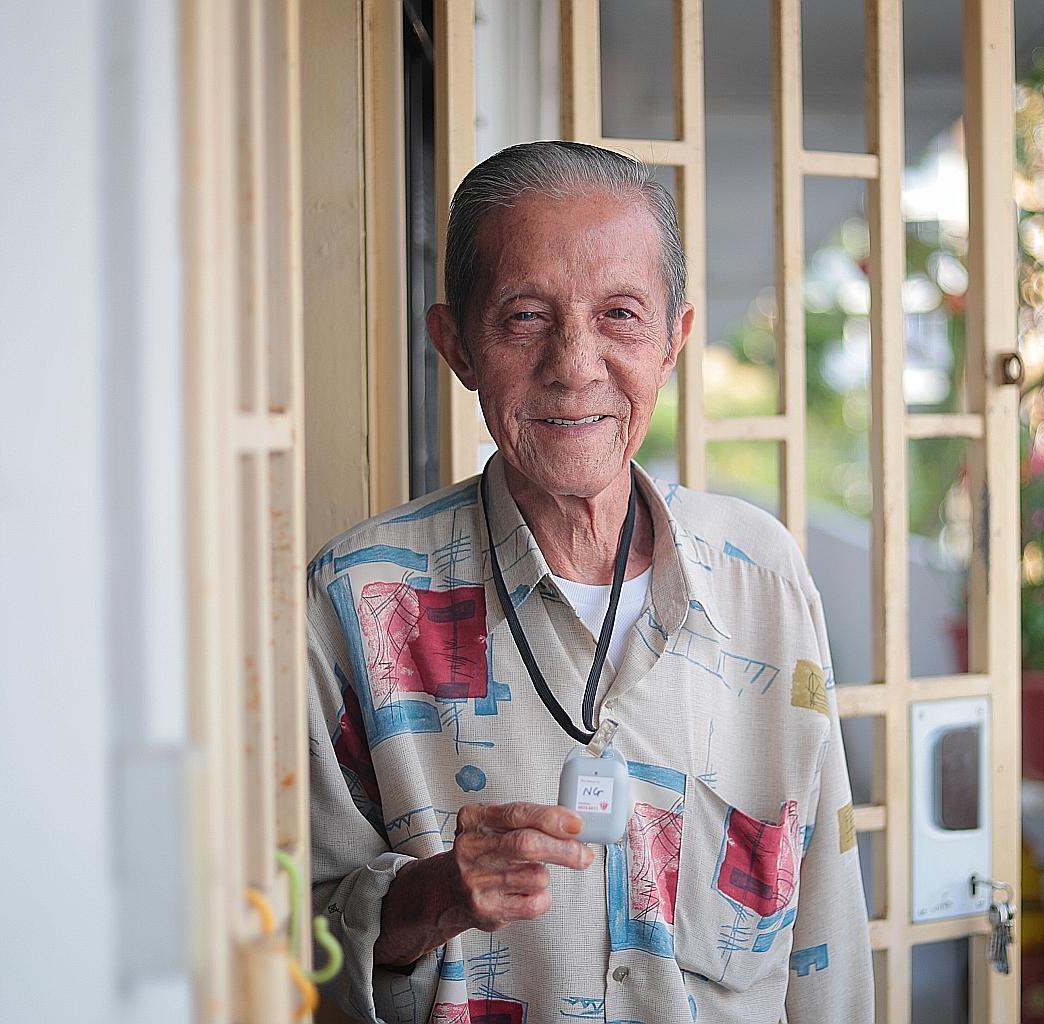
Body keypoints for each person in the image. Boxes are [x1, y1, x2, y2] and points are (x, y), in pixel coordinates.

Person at [307, 140, 875, 1024]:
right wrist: (424, 901)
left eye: (620, 314)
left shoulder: (761, 580)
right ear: (454, 344)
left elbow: (826, 922)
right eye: (526, 317)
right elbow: (282, 948)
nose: (575, 364)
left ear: (675, 340)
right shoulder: (354, 600)